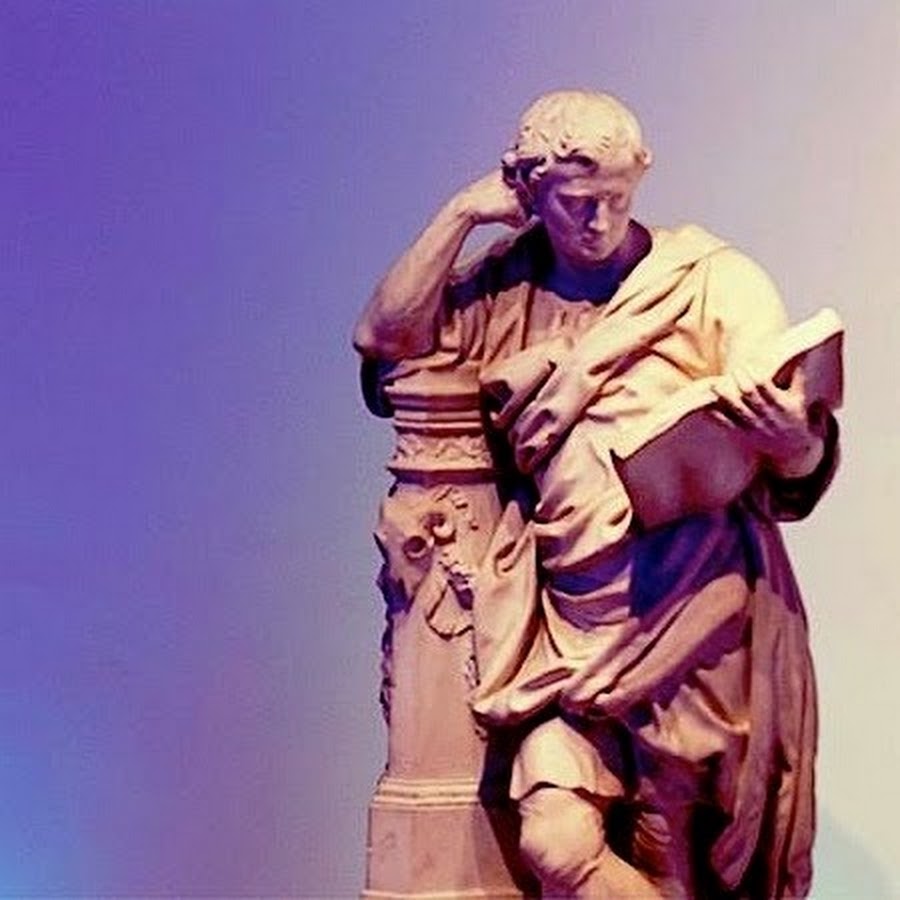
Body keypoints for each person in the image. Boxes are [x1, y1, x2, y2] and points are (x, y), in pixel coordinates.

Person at [354, 90, 838, 898]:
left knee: (683, 859)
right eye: (576, 202)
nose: (599, 220)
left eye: (617, 197)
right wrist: (464, 213)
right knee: (556, 842)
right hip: (564, 631)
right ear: (529, 192)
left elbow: (786, 432)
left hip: (699, 620)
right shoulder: (507, 293)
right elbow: (386, 339)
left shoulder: (710, 283)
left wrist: (795, 443)